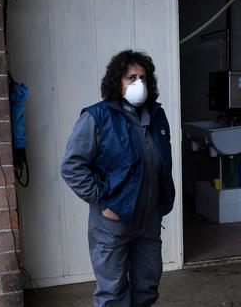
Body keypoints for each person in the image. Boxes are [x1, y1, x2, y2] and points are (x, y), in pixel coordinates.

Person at [61, 50, 175, 307]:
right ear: (117, 82)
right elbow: (72, 167)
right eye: (131, 78)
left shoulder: (157, 116)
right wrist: (103, 201)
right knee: (113, 293)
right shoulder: (97, 117)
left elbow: (159, 164)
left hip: (148, 220)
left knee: (147, 286)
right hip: (113, 223)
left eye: (143, 78)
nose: (138, 84)